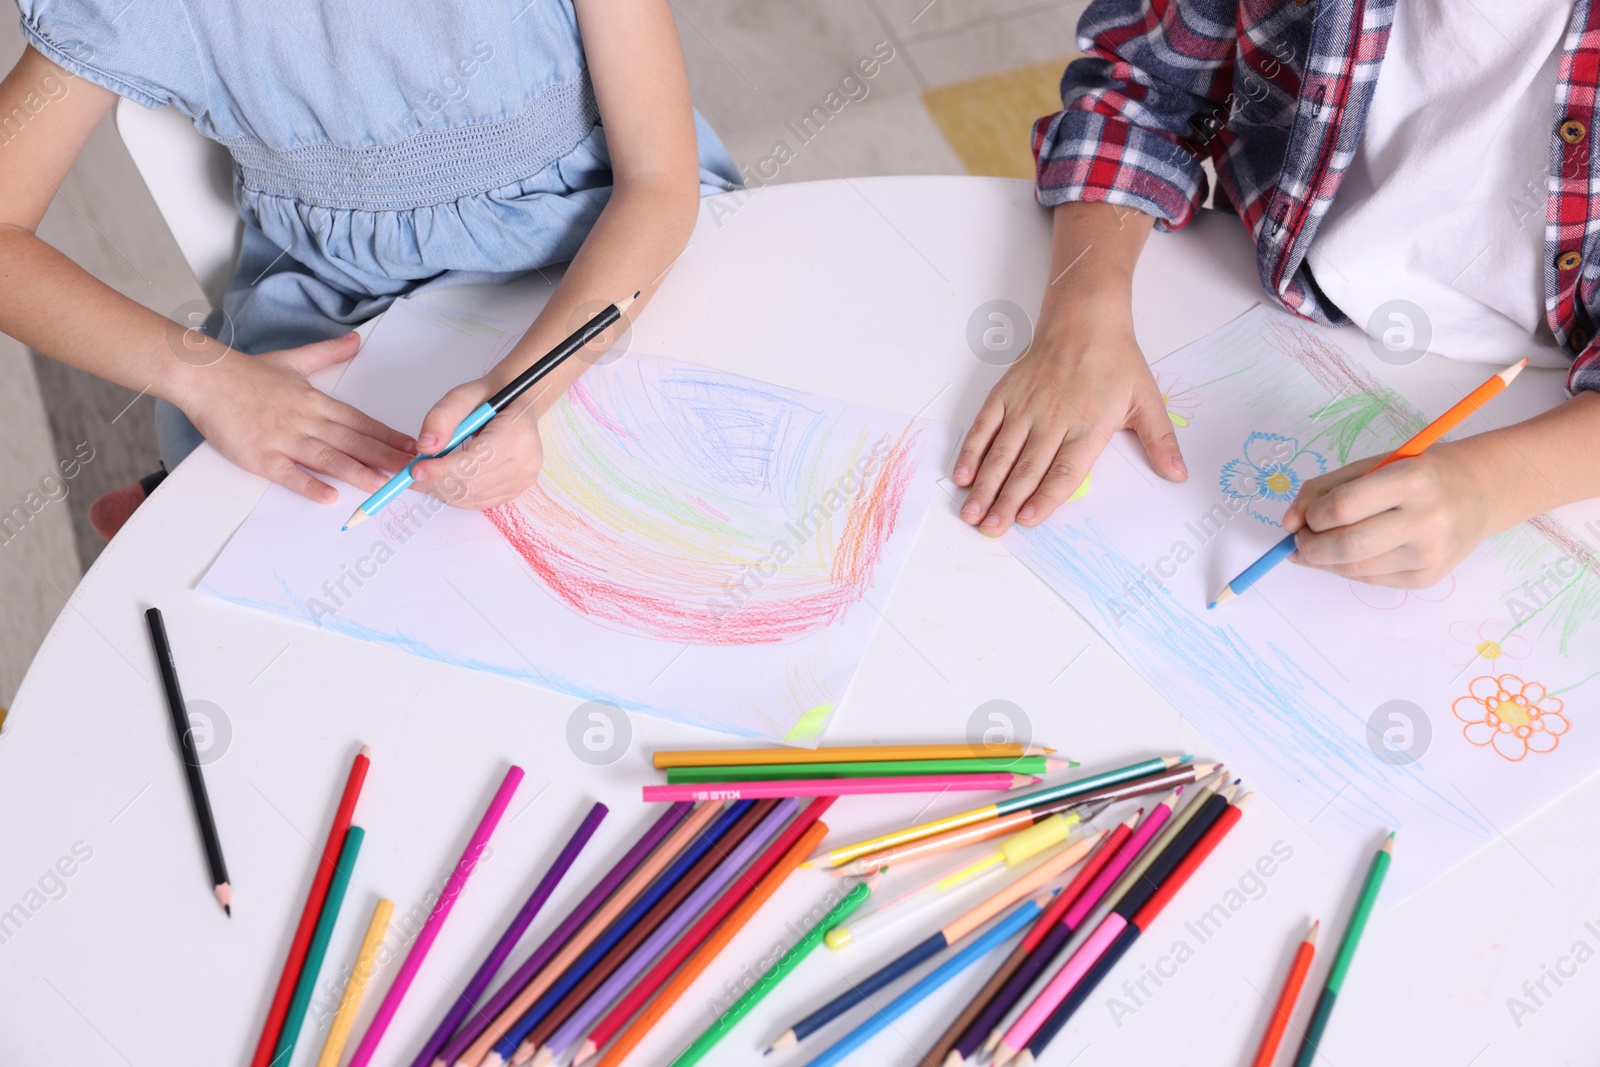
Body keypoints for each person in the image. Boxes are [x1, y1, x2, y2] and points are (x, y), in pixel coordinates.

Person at [0, 0, 739, 535]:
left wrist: (521, 394)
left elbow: (659, 183)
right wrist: (203, 377)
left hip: (608, 268)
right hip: (350, 315)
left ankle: (175, 504)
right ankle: (184, 511)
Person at [953, 0, 1600, 589]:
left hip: (1551, 416)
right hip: (1263, 296)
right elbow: (1146, 87)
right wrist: (1083, 321)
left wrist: (1491, 485)